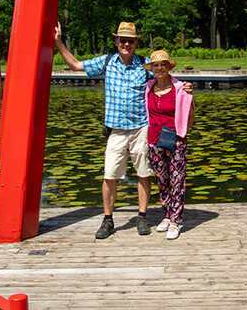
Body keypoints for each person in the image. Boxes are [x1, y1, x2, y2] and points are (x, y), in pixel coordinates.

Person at [54, 21, 192, 239]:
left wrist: (183, 87)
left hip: (141, 129)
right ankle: (108, 220)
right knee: (109, 175)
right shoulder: (106, 62)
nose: (126, 43)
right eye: (122, 40)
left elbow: (164, 76)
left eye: (130, 40)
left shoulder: (145, 65)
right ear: (116, 41)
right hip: (116, 130)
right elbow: (76, 66)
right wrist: (59, 42)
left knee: (144, 173)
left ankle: (142, 216)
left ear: (136, 43)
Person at [144, 49, 195, 240]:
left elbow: (191, 116)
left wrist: (181, 134)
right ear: (152, 69)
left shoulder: (181, 88)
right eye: (155, 65)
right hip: (154, 139)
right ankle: (167, 214)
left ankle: (175, 220)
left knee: (177, 179)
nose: (159, 68)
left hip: (176, 140)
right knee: (162, 179)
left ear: (168, 67)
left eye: (162, 65)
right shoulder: (148, 86)